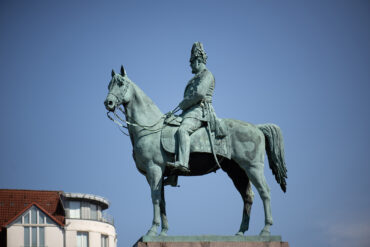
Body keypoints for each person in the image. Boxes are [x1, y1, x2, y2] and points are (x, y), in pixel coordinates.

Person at [168, 42, 225, 173]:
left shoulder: (207, 74)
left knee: (183, 130)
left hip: (199, 112)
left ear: (198, 61)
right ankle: (172, 175)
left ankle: (183, 163)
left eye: (192, 62)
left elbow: (199, 94)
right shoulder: (194, 78)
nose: (190, 65)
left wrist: (181, 105)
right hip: (188, 112)